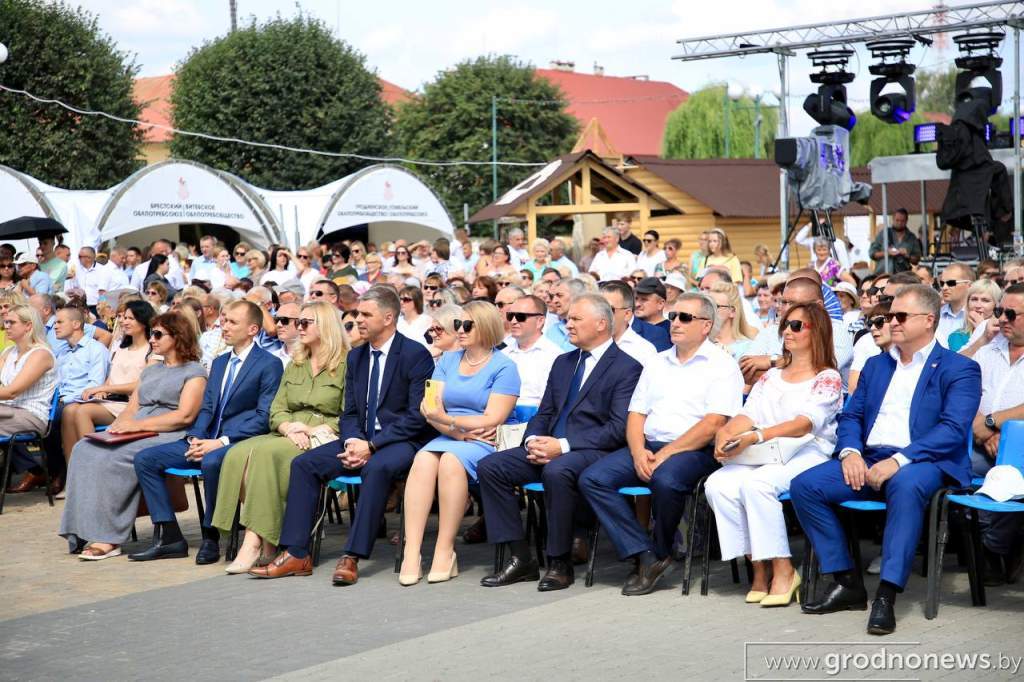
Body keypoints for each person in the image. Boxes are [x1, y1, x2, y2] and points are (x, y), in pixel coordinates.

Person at [791, 284, 981, 635]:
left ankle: (887, 595)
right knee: (805, 485)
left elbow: (953, 430)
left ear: (928, 321)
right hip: (869, 458)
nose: (890, 322)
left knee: (906, 486)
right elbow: (851, 417)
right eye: (889, 315)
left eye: (899, 316)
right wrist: (849, 452)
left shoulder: (959, 368)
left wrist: (900, 460)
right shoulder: (877, 365)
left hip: (924, 461)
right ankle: (847, 582)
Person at [249, 288, 433, 583]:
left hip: (400, 441)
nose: (358, 319)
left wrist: (371, 445)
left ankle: (352, 555)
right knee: (305, 464)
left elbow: (416, 416)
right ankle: (296, 553)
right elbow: (349, 412)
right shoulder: (357, 357)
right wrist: (352, 441)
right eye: (358, 313)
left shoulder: (414, 355)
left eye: (366, 314)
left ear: (388, 318)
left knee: (376, 467)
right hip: (359, 439)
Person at [579, 293, 741, 595]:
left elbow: (714, 424)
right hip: (649, 445)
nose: (675, 323)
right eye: (673, 317)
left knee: (665, 481)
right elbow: (636, 413)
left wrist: (664, 453)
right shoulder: (657, 361)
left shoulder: (722, 365)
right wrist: (639, 451)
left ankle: (662, 549)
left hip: (696, 449)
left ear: (706, 326)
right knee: (593, 478)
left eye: (685, 318)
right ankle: (646, 554)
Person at [478, 294, 642, 591]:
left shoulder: (627, 367)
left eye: (576, 319)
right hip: (548, 446)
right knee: (491, 467)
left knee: (557, 471)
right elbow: (546, 412)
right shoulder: (564, 362)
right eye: (568, 318)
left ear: (602, 324)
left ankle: (559, 563)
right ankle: (521, 558)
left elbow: (617, 429)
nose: (568, 324)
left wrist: (562, 446)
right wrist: (532, 440)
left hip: (592, 451)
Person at [706, 303, 842, 606]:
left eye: (797, 326)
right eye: (786, 325)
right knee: (718, 485)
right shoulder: (771, 376)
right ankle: (758, 566)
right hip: (766, 449)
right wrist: (727, 433)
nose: (787, 331)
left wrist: (754, 435)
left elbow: (804, 424)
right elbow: (748, 413)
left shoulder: (827, 377)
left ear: (816, 332)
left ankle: (783, 567)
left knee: (757, 485)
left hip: (808, 450)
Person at [130, 301, 284, 563]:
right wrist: (195, 437)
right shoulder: (221, 362)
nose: (224, 326)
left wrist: (221, 441)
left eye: (233, 322)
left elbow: (263, 417)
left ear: (253, 329)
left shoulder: (269, 364)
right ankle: (169, 536)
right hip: (206, 437)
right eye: (224, 320)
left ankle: (210, 537)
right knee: (145, 459)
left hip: (238, 441)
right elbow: (208, 407)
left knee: (212, 462)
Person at [211, 301, 347, 573]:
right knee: (237, 452)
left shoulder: (347, 364)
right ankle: (267, 540)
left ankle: (253, 541)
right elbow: (277, 408)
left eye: (305, 323)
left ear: (326, 327)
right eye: (298, 323)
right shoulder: (296, 363)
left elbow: (348, 412)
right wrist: (287, 427)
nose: (299, 328)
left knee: (266, 453)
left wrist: (310, 430)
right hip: (288, 431)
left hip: (323, 434)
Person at [59, 311, 207, 560]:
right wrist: (117, 428)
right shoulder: (152, 370)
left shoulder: (194, 372)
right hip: (138, 429)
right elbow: (132, 407)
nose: (152, 340)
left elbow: (184, 417)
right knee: (85, 449)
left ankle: (109, 537)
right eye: (152, 334)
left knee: (113, 459)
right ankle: (81, 527)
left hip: (167, 432)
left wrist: (136, 428)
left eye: (159, 334)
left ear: (178, 337)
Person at [399, 301, 519, 585]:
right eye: (458, 325)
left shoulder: (505, 367)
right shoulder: (448, 360)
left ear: (487, 327)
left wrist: (449, 421)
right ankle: (411, 551)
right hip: (453, 434)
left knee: (451, 461)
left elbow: (494, 418)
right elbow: (429, 409)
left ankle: (444, 549)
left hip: (485, 440)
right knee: (424, 459)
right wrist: (454, 430)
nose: (460, 330)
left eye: (467, 325)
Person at [969, 284, 1024, 583]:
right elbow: (966, 399)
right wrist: (987, 433)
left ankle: (994, 548)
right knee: (950, 470)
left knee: (1009, 473)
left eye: (1011, 314)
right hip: (981, 445)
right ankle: (992, 546)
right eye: (1000, 311)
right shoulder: (988, 353)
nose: (1002, 319)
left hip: (1020, 450)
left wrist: (994, 421)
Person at [59, 302, 153, 474]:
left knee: (83, 411)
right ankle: (73, 472)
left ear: (143, 322)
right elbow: (111, 377)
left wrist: (104, 389)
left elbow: (141, 384)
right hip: (111, 400)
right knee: (69, 410)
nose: (124, 322)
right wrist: (103, 389)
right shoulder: (120, 347)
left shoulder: (150, 350)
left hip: (130, 404)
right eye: (124, 318)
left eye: (130, 318)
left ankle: (92, 469)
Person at [741, 277, 853, 389]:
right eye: (784, 302)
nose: (785, 308)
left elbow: (821, 367)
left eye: (795, 303)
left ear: (818, 305)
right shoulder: (771, 329)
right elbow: (745, 368)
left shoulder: (838, 331)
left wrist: (771, 360)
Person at [0, 306, 58, 494]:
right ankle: (34, 469)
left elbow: (12, 392)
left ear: (28, 326)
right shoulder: (9, 352)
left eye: (11, 322)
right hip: (7, 410)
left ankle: (35, 470)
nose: (6, 326)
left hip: (30, 415)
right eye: (6, 322)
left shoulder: (41, 354)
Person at [501, 295, 561, 411]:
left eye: (520, 316)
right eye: (510, 315)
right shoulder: (502, 354)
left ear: (540, 321)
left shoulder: (555, 356)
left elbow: (552, 403)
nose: (513, 321)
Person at [598, 281, 659, 367]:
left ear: (627, 315)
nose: (602, 314)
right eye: (598, 308)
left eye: (609, 310)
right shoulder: (586, 343)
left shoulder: (644, 351)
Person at [848, 301, 892, 395]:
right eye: (870, 323)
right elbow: (854, 391)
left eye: (879, 322)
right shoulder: (872, 363)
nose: (872, 328)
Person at [948, 278, 1001, 353]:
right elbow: (958, 362)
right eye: (974, 299)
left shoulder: (1003, 334)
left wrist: (982, 328)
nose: (978, 305)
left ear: (996, 305)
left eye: (985, 300)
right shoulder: (957, 336)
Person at [709, 281, 758, 359]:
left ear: (732, 312)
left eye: (716, 306)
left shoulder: (748, 348)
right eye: (708, 305)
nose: (710, 310)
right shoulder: (699, 343)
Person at [869, 208, 923, 274]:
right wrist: (887, 253)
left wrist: (907, 255)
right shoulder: (884, 234)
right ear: (893, 219)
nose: (899, 223)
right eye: (897, 220)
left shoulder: (911, 237)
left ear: (906, 221)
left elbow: (917, 259)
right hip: (883, 274)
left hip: (903, 275)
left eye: (902, 221)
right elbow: (872, 253)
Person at [934, 263, 974, 348]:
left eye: (951, 283)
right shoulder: (935, 314)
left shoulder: (978, 314)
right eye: (942, 283)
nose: (944, 288)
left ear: (969, 285)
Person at [545, 278, 587, 351]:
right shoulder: (552, 331)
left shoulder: (591, 329)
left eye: (560, 295)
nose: (554, 301)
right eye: (553, 296)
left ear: (577, 296)